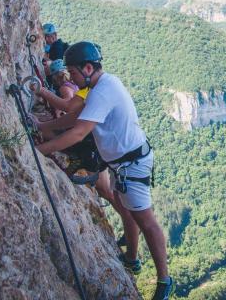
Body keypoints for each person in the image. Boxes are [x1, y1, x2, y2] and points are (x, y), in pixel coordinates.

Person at [37, 41, 173, 299]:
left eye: (74, 73)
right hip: (122, 162)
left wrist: (40, 151)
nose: (72, 79)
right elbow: (76, 118)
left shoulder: (101, 92)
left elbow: (78, 132)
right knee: (126, 209)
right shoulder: (101, 85)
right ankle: (132, 259)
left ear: (88, 68)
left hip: (131, 164)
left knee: (145, 220)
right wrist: (43, 127)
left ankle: (165, 280)